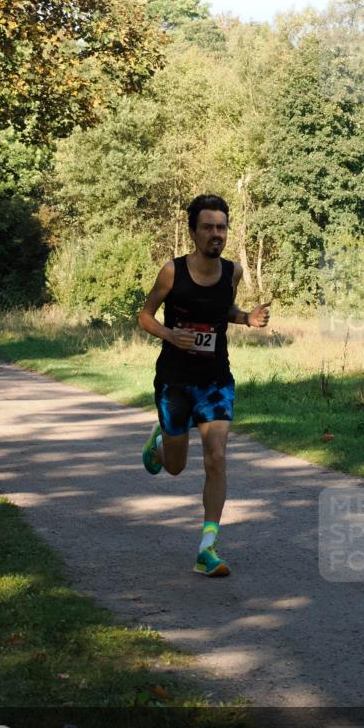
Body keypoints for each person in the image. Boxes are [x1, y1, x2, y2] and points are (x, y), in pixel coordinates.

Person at [138, 194, 271, 577]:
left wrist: (246, 318)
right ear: (193, 232)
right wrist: (169, 334)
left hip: (215, 380)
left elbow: (222, 310)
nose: (216, 234)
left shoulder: (233, 272)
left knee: (216, 458)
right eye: (208, 227)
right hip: (174, 381)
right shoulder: (172, 272)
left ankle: (206, 549)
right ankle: (160, 444)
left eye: (222, 227)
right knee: (176, 467)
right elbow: (145, 316)